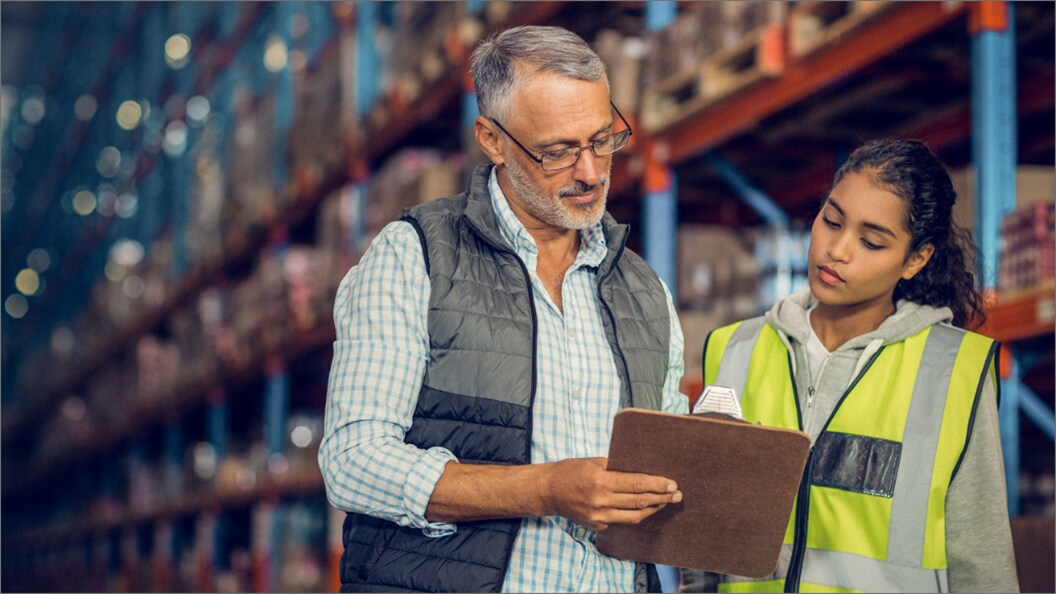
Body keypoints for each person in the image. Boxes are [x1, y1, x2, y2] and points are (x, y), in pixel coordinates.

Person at [318, 25, 688, 593]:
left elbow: (664, 477)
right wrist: (543, 489)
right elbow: (354, 463)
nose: (590, 172)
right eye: (558, 151)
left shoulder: (644, 291)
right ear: (491, 139)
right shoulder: (415, 256)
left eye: (602, 139)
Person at [681, 139, 1019, 593]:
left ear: (916, 259)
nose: (837, 250)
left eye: (871, 241)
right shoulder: (735, 348)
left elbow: (982, 563)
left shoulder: (952, 370)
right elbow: (699, 543)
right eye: (831, 220)